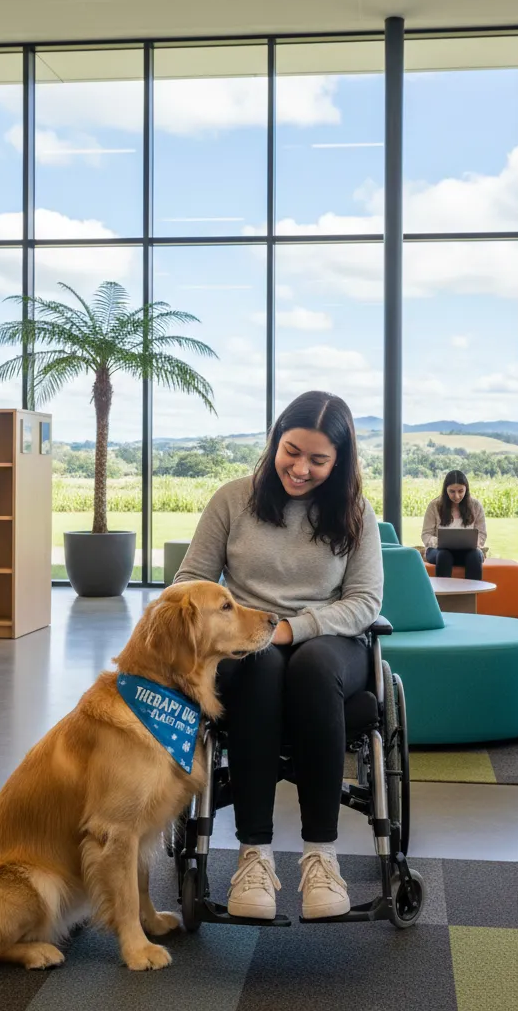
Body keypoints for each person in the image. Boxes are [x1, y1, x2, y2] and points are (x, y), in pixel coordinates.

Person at [174, 391, 383, 922]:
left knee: (311, 668)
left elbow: (365, 602)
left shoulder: (355, 513)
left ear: (340, 462)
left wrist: (295, 628)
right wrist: (242, 627)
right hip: (247, 647)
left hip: (329, 647)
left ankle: (321, 858)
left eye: (318, 459)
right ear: (275, 443)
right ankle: (255, 856)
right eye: (292, 451)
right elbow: (187, 585)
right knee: (262, 664)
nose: (301, 468)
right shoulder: (232, 500)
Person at [420, 469, 488, 580]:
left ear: (466, 489)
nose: (456, 496)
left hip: (468, 552)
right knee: (444, 555)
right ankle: (444, 595)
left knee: (475, 556)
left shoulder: (475, 506)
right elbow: (426, 534)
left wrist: (474, 543)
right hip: (438, 551)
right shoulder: (434, 506)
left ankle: (471, 595)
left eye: (461, 491)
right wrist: (440, 542)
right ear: (445, 490)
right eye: (452, 491)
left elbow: (482, 535)